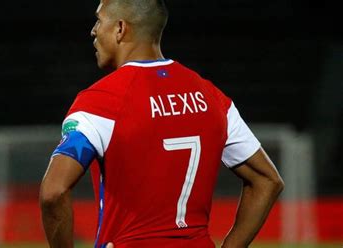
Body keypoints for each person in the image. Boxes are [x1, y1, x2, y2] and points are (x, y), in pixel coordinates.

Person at [40, 0, 285, 247]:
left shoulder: (100, 101)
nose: (93, 30)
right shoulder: (212, 97)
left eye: (99, 20)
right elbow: (267, 179)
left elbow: (53, 192)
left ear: (120, 28)